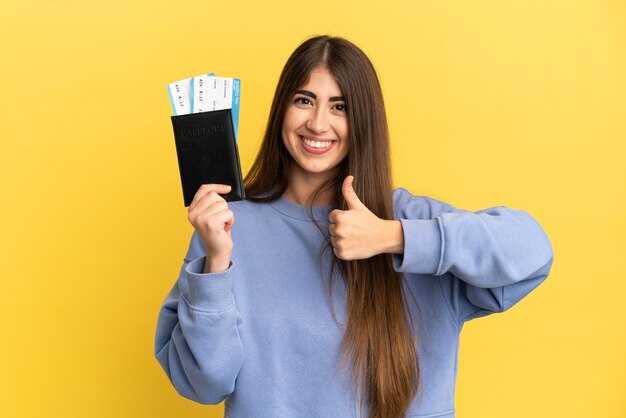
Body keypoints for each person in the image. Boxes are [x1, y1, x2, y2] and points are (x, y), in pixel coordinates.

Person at [154, 35, 554, 418]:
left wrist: (393, 237)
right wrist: (217, 263)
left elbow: (533, 252)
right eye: (304, 100)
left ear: (363, 119)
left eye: (339, 106)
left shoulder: (409, 223)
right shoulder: (226, 229)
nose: (317, 122)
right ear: (282, 110)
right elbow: (203, 384)